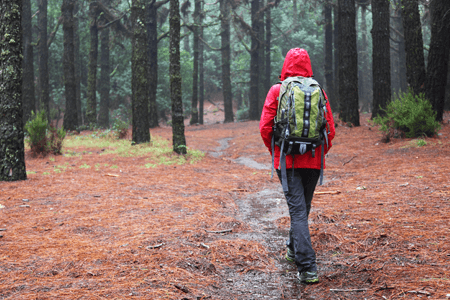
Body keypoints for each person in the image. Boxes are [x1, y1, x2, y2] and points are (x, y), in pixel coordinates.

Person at [259, 48, 335, 284]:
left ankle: (308, 267)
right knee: (303, 209)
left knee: (298, 212)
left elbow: (265, 127)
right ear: (308, 65)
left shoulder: (277, 90)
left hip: (288, 161)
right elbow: (330, 130)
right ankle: (293, 250)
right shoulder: (318, 90)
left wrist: (277, 153)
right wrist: (318, 153)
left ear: (286, 65)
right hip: (313, 161)